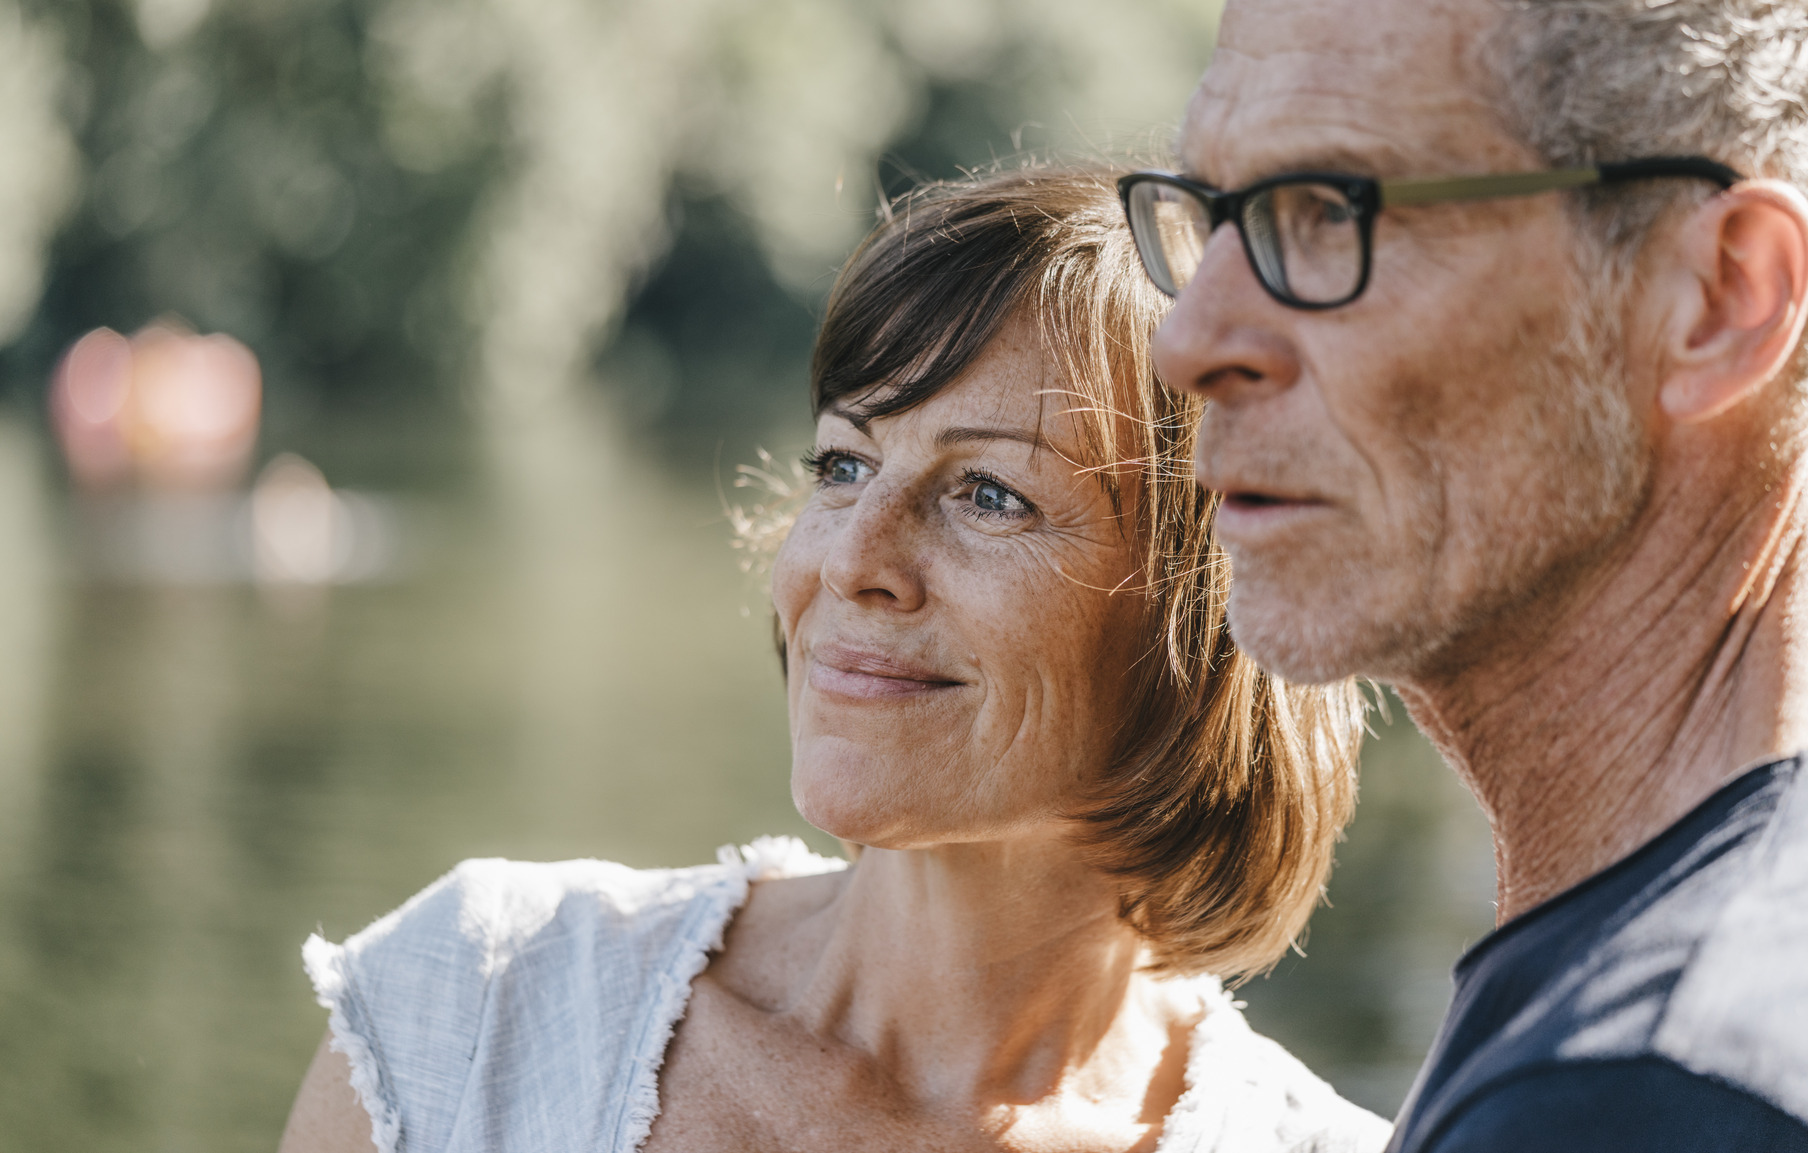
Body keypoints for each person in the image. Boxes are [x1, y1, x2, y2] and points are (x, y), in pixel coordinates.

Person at [278, 167, 1390, 1153]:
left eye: (989, 494)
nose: (852, 558)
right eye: (844, 464)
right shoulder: (476, 1009)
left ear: (1221, 609)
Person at [1125, 0, 1808, 1150]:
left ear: (1720, 296)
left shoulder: (1654, 1091)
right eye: (1212, 215)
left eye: (1329, 212)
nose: (1190, 338)